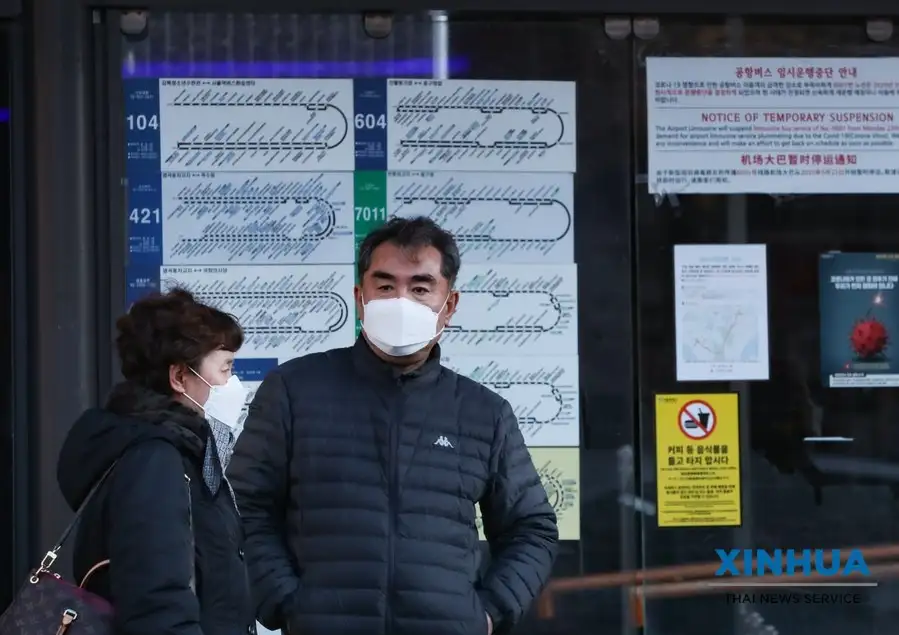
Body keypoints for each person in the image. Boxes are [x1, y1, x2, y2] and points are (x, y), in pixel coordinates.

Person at [229, 217, 559, 635]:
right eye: (385, 286)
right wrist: (286, 602)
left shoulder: (484, 413)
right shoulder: (294, 391)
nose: (401, 300)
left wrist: (486, 614)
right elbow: (244, 504)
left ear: (449, 305)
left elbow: (531, 528)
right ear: (360, 297)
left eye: (420, 288)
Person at [56, 288, 256, 635]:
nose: (233, 383)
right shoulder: (154, 461)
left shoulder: (176, 451)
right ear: (179, 377)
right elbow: (158, 604)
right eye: (226, 368)